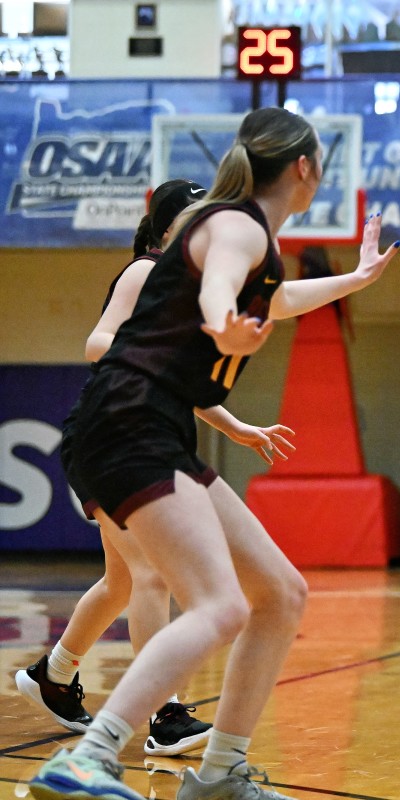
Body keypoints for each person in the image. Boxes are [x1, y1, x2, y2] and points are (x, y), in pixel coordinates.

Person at [29, 107, 400, 800]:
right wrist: (222, 321)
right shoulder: (234, 226)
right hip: (127, 422)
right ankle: (89, 755)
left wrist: (355, 281)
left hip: (152, 426)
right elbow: (221, 283)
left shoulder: (249, 235)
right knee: (218, 606)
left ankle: (222, 773)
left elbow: (277, 297)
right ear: (305, 168)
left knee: (280, 594)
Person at [15, 180, 295, 759]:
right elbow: (99, 342)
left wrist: (235, 427)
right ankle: (161, 715)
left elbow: (174, 376)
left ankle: (54, 673)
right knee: (152, 577)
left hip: (136, 431)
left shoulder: (184, 284)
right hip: (116, 431)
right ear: (171, 229)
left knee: (123, 580)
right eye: (196, 217)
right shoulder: (146, 272)